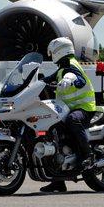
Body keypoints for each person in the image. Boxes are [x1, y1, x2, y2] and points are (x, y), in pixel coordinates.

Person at [39, 37, 96, 193]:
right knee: (53, 135)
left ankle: (87, 154)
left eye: (52, 52)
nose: (51, 55)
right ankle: (58, 181)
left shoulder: (71, 65)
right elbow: (48, 79)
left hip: (83, 108)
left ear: (59, 51)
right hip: (67, 108)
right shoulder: (61, 67)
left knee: (72, 120)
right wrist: (32, 84)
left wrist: (69, 79)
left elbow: (79, 79)